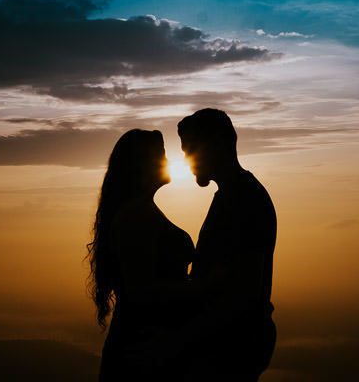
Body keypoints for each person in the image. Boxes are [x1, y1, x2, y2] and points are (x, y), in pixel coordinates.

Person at [88, 129, 197, 381]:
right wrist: (206, 287)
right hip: (141, 350)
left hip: (147, 345)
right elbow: (141, 291)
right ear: (141, 164)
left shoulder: (141, 211)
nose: (168, 161)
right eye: (161, 155)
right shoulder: (135, 216)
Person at [178, 108, 277, 381]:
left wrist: (180, 341)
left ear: (217, 145)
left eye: (191, 150)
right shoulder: (233, 194)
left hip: (231, 350)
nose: (186, 160)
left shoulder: (245, 199)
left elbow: (244, 292)